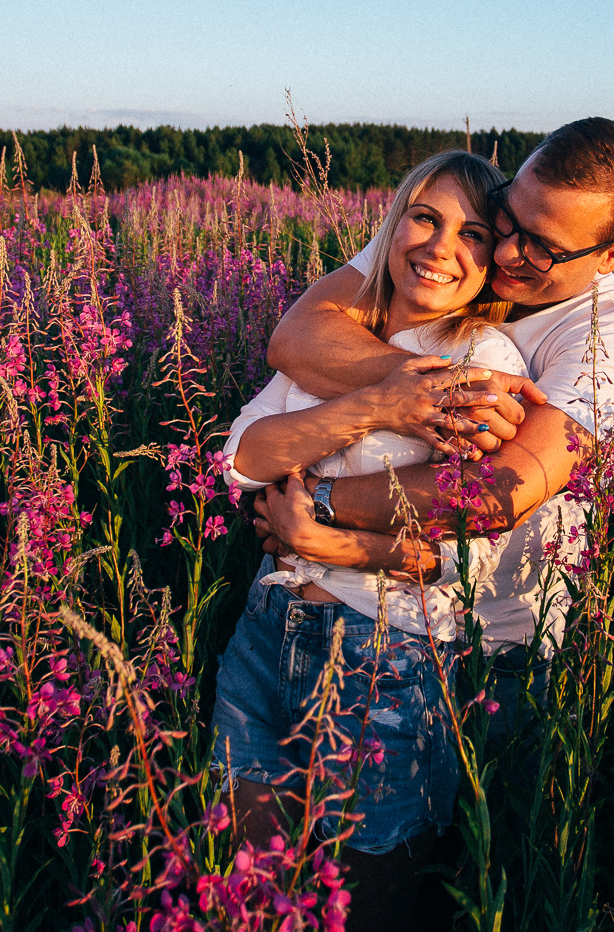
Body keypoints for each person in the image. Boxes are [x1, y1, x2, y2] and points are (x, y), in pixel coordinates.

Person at [245, 119, 614, 916]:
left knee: (398, 888)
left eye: (539, 248)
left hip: (473, 642)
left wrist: (317, 503)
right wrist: (441, 386)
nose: (504, 255)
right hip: (326, 595)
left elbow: (502, 492)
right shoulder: (459, 241)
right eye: (507, 217)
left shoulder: (612, 339)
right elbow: (296, 336)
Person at [209, 150, 531, 927]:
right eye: (424, 217)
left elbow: (462, 551)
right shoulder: (340, 336)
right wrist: (376, 406)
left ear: (494, 259)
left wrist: (319, 538)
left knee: (364, 906)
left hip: (388, 655)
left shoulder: (484, 363)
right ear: (392, 225)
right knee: (255, 888)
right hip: (266, 636)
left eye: (473, 233)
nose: (439, 246)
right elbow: (243, 459)